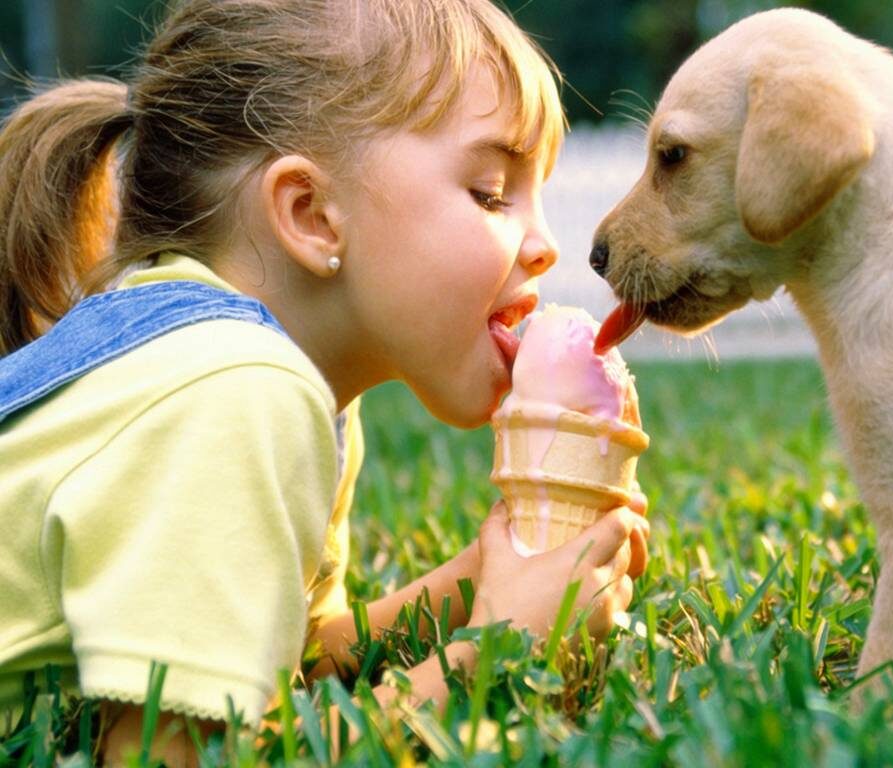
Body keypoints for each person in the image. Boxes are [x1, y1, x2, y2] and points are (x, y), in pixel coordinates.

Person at [0, 0, 649, 762]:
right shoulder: (233, 391)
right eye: (491, 191)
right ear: (310, 214)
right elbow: (174, 755)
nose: (543, 246)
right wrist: (492, 656)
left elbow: (296, 662)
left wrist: (479, 580)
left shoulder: (270, 382)